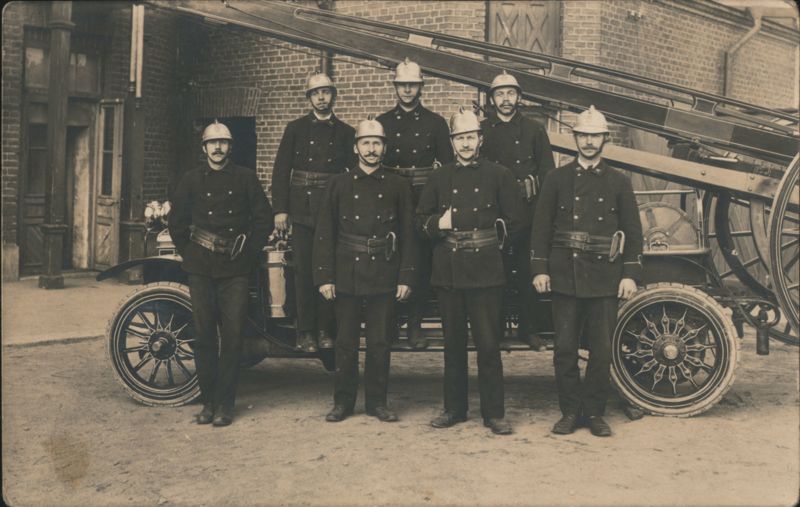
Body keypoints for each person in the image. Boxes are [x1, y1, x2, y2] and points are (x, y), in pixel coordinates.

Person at [531, 106, 643, 437]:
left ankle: (594, 412)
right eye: (583, 135)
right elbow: (540, 229)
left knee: (601, 349)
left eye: (595, 136)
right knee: (564, 349)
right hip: (565, 274)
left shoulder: (620, 182)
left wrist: (629, 274)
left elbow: (633, 233)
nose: (589, 142)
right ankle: (569, 412)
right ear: (575, 138)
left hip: (605, 276)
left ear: (604, 139)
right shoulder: (556, 179)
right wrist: (539, 269)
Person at [416, 108, 525, 435]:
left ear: (480, 139)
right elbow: (419, 222)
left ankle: (494, 413)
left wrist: (494, 243)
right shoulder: (438, 178)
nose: (465, 143)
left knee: (489, 345)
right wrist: (439, 224)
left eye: (470, 137)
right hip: (449, 270)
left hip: (486, 270)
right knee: (453, 346)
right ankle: (454, 409)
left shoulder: (499, 175)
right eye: (459, 138)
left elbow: (518, 221)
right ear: (452, 143)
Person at [170, 120, 274, 427]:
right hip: (201, 267)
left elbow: (263, 220)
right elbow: (177, 222)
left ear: (230, 147)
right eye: (212, 144)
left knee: (232, 338)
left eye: (224, 143)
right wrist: (190, 253)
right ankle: (208, 403)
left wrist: (248, 252)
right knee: (203, 337)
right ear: (204, 149)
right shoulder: (190, 180)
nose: (218, 148)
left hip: (235, 269)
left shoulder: (245, 178)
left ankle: (225, 405)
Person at [313, 116, 417, 423]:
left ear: (384, 148)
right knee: (345, 343)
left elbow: (409, 234)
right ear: (356, 147)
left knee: (380, 343)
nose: (371, 149)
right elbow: (324, 233)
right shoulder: (339, 184)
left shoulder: (398, 184)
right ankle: (342, 403)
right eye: (366, 143)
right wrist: (325, 276)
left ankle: (377, 403)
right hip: (346, 272)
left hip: (384, 271)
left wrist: (406, 276)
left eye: (376, 143)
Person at [271, 73, 356, 353]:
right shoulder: (295, 129)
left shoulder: (346, 132)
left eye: (326, 92)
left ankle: (325, 330)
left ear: (334, 95)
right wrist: (281, 209)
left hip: (332, 209)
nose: (321, 97)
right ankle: (305, 331)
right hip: (302, 209)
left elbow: (352, 175)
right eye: (316, 93)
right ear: (309, 98)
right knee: (305, 270)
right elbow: (281, 171)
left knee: (329, 269)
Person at [377, 58, 453, 349]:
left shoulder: (436, 123)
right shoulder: (382, 122)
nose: (407, 90)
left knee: (419, 262)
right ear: (396, 87)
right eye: (402, 85)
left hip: (423, 197)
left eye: (412, 85)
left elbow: (446, 168)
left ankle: (415, 325)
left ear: (421, 87)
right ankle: (391, 324)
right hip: (391, 197)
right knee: (390, 258)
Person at [480, 70, 555, 351]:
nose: (506, 99)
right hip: (494, 213)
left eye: (511, 93)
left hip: (528, 209)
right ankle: (495, 330)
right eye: (500, 94)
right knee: (495, 271)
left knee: (527, 269)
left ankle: (529, 329)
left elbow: (548, 171)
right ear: (492, 99)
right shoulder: (483, 130)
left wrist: (544, 209)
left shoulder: (535, 129)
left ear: (519, 97)